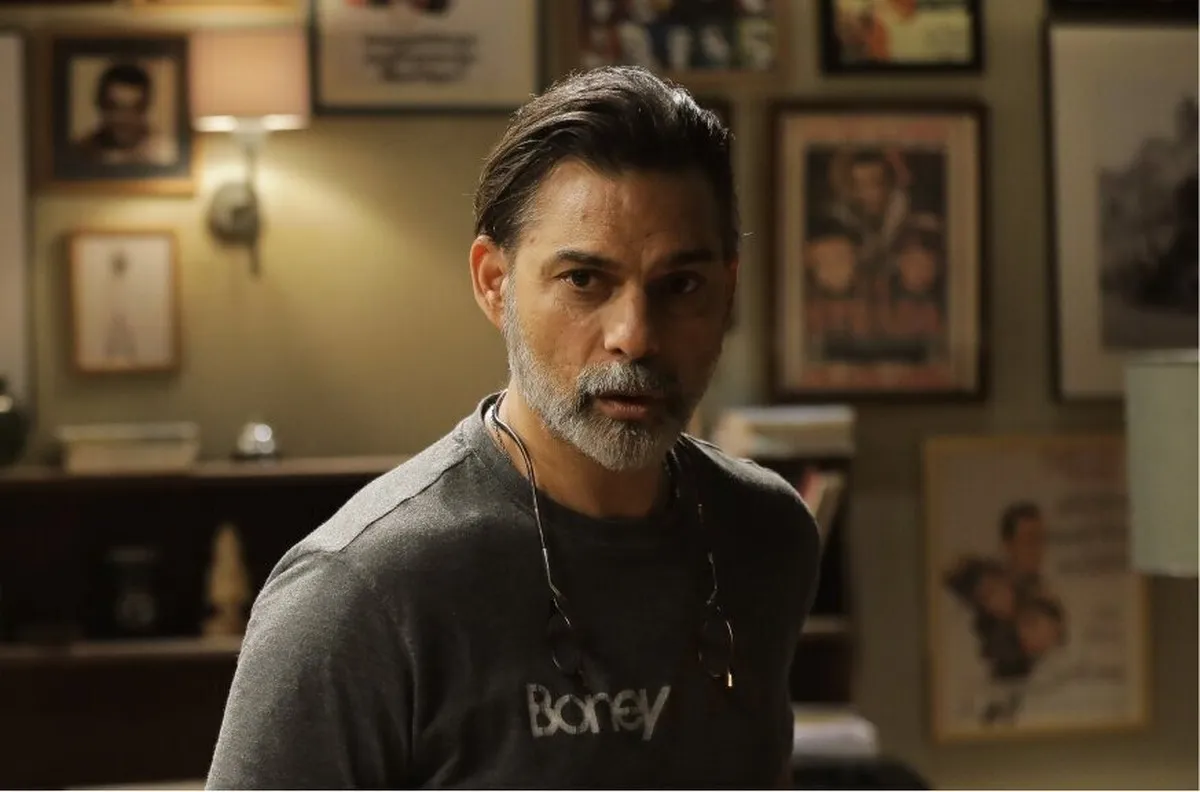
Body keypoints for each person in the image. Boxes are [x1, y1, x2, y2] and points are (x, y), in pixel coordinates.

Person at [205, 65, 821, 789]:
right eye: (584, 280)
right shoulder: (360, 593)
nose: (634, 336)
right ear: (494, 284)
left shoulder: (768, 534)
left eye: (680, 285)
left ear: (729, 288)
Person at [68, 61, 176, 167]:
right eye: (114, 107)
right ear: (100, 105)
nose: (123, 117)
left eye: (133, 108)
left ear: (146, 107)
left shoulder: (165, 155)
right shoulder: (78, 153)